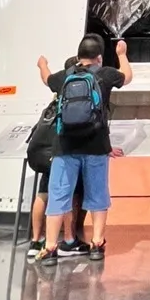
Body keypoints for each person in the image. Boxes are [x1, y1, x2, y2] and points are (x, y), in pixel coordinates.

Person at [34, 34, 132, 265]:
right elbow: (127, 77)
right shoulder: (105, 74)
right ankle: (97, 244)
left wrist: (43, 64)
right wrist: (122, 54)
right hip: (96, 147)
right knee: (98, 195)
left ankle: (50, 248)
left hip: (65, 147)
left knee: (58, 195)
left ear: (78, 57)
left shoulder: (64, 76)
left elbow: (46, 78)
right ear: (98, 57)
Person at [28, 56, 88, 258]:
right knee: (67, 196)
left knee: (43, 194)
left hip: (44, 151)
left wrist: (43, 65)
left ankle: (36, 241)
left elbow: (46, 78)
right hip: (62, 152)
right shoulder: (78, 91)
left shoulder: (57, 93)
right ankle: (68, 240)